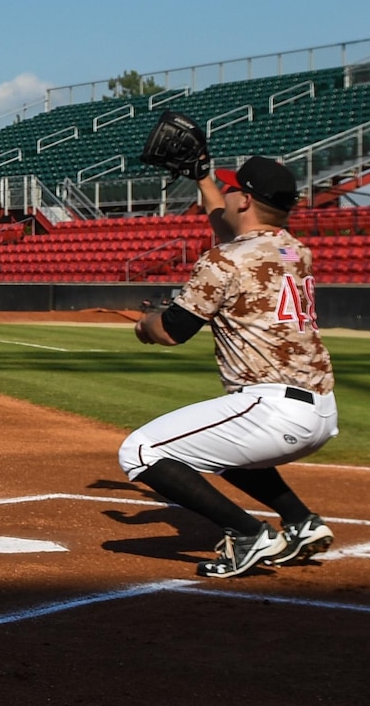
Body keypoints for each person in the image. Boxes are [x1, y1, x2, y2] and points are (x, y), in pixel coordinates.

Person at [120, 156, 337, 579]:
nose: (229, 193)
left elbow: (170, 332)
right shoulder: (295, 249)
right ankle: (300, 523)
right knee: (218, 448)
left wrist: (143, 325)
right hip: (321, 410)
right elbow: (231, 229)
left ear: (246, 200)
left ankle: (247, 534)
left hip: (272, 409)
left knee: (140, 451)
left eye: (234, 188)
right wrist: (202, 175)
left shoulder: (223, 261)